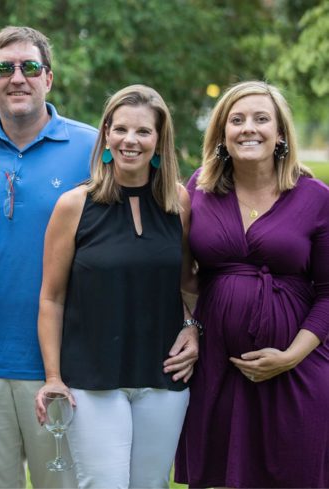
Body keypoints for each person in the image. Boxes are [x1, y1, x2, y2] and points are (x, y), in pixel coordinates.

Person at [0, 26, 96, 488]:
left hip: (65, 364)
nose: (17, 78)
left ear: (49, 78)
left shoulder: (93, 150)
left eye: (30, 67)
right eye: (3, 68)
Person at [33, 85, 199, 488]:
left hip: (163, 377)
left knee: (151, 484)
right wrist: (53, 376)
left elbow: (187, 281)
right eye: (120, 129)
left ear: (159, 140)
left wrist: (194, 327)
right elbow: (51, 299)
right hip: (92, 380)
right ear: (106, 134)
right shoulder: (75, 205)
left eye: (143, 131)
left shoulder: (178, 202)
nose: (130, 140)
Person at [174, 81, 329, 488]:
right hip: (216, 367)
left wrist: (291, 356)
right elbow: (178, 274)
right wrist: (189, 325)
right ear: (222, 133)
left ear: (280, 134)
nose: (249, 128)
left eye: (262, 119)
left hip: (297, 368)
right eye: (237, 120)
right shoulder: (198, 190)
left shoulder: (315, 197)